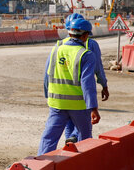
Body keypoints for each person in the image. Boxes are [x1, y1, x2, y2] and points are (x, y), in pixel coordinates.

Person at [38, 18, 100, 155]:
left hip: (57, 104)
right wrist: (93, 108)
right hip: (78, 106)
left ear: (70, 33)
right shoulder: (86, 54)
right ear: (85, 36)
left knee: (49, 138)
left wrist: (48, 96)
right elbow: (87, 83)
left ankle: (40, 164)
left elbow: (47, 76)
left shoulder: (56, 50)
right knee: (85, 140)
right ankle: (83, 164)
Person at [60, 13, 108, 144]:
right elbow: (98, 67)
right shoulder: (91, 44)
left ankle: (70, 150)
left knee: (68, 125)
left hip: (63, 93)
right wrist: (104, 85)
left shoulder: (60, 45)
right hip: (81, 93)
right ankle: (79, 146)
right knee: (84, 127)